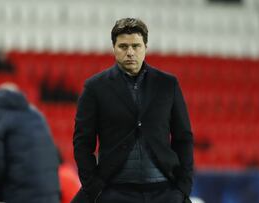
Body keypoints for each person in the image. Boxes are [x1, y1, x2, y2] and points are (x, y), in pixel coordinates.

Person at [72, 18, 193, 203]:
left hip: (166, 191)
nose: (130, 52)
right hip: (113, 192)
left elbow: (183, 138)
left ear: (145, 47)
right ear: (114, 48)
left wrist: (183, 188)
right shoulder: (94, 87)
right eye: (123, 46)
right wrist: (94, 188)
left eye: (136, 46)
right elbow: (82, 143)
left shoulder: (168, 84)